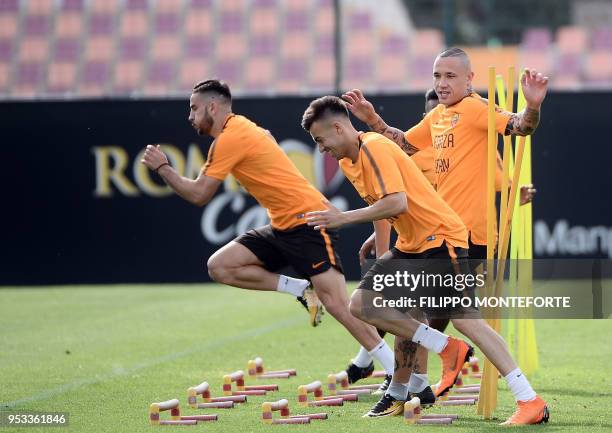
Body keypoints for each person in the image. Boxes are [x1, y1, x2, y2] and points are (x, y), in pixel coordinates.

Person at [301, 95, 549, 425]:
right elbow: (384, 205)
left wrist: (342, 219)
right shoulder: (350, 160)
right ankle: (432, 362)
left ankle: (528, 400)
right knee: (362, 304)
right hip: (413, 244)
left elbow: (397, 202)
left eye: (320, 140)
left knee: (465, 320)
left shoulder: (373, 147)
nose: (321, 149)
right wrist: (383, 243)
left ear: (337, 127)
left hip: (441, 238)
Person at [140, 79, 396, 378]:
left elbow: (199, 194)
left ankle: (393, 369)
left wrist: (163, 168)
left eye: (194, 108)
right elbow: (266, 138)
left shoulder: (230, 137)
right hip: (282, 225)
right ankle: (301, 288)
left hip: (310, 221)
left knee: (339, 304)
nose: (190, 116)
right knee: (220, 266)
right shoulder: (241, 127)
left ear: (213, 107)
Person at [344, 88, 537, 395]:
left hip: (461, 237)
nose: (439, 117)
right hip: (427, 236)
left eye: (449, 78)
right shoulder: (423, 141)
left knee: (439, 314)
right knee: (416, 309)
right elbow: (409, 198)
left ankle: (406, 376)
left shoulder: (476, 124)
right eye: (431, 113)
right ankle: (413, 381)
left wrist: (517, 191)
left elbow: (505, 175)